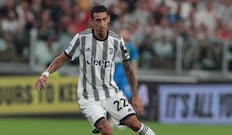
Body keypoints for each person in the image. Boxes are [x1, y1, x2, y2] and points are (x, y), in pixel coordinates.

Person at [34, 5, 156, 135]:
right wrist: (46, 74)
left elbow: (128, 68)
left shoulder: (117, 41)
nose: (102, 24)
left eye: (104, 19)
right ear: (92, 22)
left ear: (108, 19)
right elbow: (62, 58)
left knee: (134, 124)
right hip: (88, 97)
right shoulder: (81, 39)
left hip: (111, 93)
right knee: (107, 129)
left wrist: (135, 95)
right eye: (98, 20)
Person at [114, 28, 139, 102]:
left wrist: (135, 78)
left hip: (125, 79)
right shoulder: (112, 47)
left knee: (126, 99)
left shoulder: (132, 48)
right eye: (123, 32)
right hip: (112, 78)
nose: (125, 34)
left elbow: (134, 64)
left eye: (127, 32)